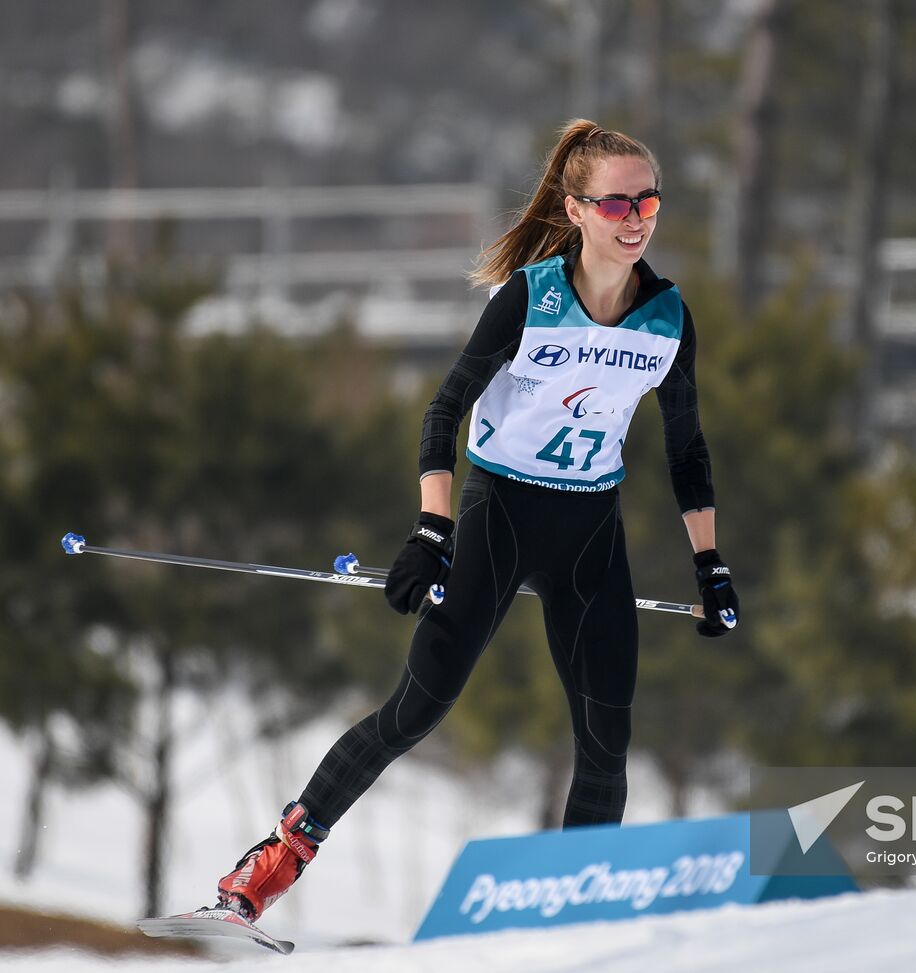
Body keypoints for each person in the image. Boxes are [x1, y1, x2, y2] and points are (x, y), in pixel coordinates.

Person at [212, 119, 741, 924]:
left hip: (591, 533)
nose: (635, 217)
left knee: (606, 745)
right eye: (616, 203)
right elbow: (444, 410)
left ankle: (573, 917)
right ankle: (270, 862)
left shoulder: (668, 317)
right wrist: (431, 530)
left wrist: (710, 564)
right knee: (416, 710)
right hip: (501, 512)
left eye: (649, 201)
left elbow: (688, 451)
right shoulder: (532, 297)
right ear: (575, 209)